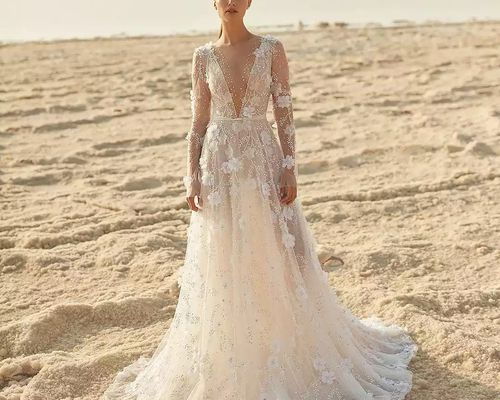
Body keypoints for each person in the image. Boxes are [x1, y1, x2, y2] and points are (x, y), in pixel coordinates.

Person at [102, 1, 417, 399]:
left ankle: (284, 340)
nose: (231, 1)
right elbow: (198, 122)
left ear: (249, 2)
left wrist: (289, 166)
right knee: (224, 253)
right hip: (219, 164)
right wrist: (192, 175)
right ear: (213, 3)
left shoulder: (271, 48)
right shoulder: (202, 57)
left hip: (261, 157)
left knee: (276, 250)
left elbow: (284, 112)